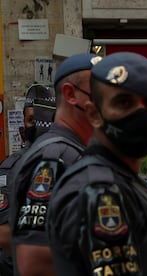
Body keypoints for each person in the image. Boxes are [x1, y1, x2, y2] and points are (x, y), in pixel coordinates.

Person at [47, 52, 147, 275]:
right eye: (124, 102)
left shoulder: (123, 180)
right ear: (94, 114)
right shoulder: (100, 191)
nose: (141, 113)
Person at [9, 53, 101, 276]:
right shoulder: (53, 157)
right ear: (70, 95)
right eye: (100, 93)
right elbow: (35, 263)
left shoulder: (77, 151)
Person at [0, 83, 55, 275]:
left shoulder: (60, 160)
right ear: (23, 121)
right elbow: (5, 235)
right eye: (31, 120)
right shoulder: (11, 167)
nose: (36, 126)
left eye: (40, 120)